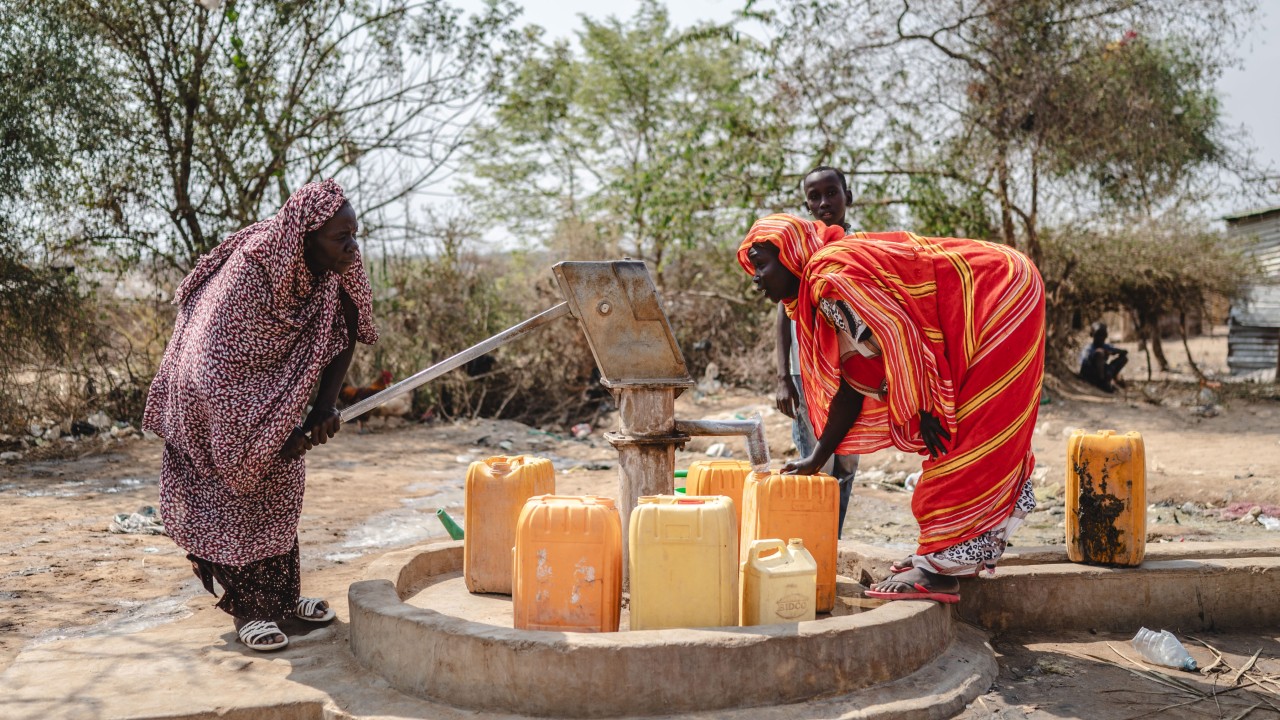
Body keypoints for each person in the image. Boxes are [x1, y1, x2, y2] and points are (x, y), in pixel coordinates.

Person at [740, 214, 1045, 603]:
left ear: (791, 256)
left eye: (762, 263)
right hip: (993, 292)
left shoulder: (828, 280)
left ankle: (938, 570)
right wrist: (818, 456)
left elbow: (898, 331)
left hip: (997, 294)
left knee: (968, 437)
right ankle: (948, 556)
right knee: (962, 435)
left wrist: (923, 404)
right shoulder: (826, 288)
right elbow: (855, 382)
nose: (756, 276)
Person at [143, 179, 378, 651]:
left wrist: (323, 406)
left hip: (262, 394)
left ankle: (284, 599)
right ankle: (249, 610)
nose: (352, 245)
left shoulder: (341, 265)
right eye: (341, 237)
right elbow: (211, 367)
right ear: (305, 238)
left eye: (355, 233)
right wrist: (268, 438)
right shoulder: (250, 274)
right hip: (206, 396)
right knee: (235, 493)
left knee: (282, 483)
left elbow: (347, 329)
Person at [775, 167, 859, 537]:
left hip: (856, 376)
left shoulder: (864, 248)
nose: (824, 202)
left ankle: (832, 547)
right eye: (815, 196)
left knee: (846, 465)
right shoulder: (801, 250)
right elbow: (783, 310)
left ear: (847, 196)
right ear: (806, 203)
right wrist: (783, 377)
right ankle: (810, 548)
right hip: (806, 374)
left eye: (832, 193)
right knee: (815, 467)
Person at [1079, 322, 1127, 392]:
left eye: (1103, 335)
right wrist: (1099, 354)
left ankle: (1113, 377)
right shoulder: (1088, 348)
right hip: (1091, 373)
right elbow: (1084, 363)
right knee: (1099, 353)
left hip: (1103, 370)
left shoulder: (1105, 346)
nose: (1101, 337)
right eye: (1098, 334)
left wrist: (1112, 352)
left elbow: (1124, 352)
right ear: (1093, 335)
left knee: (1123, 359)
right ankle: (1102, 382)